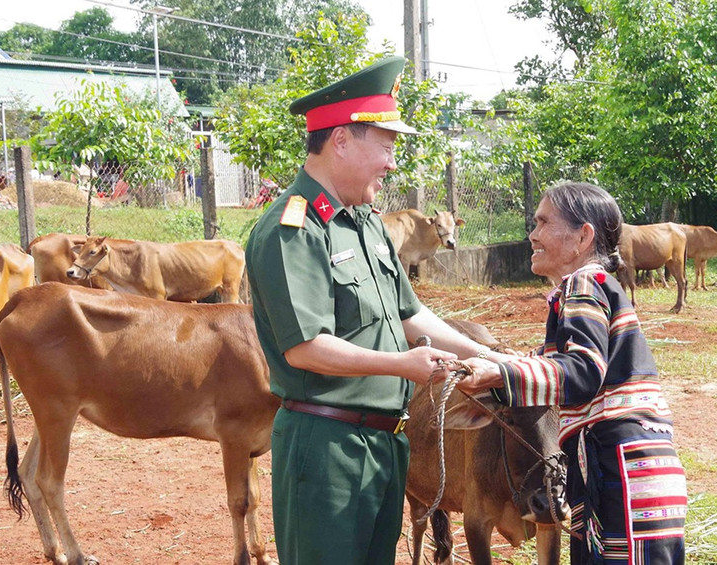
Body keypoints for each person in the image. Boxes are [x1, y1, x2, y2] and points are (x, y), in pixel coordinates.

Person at [244, 56, 502, 565]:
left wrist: (489, 355)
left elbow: (412, 316)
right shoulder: (292, 229)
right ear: (341, 140)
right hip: (328, 449)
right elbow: (305, 347)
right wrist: (402, 366)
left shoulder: (365, 223)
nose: (390, 162)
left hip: (386, 443)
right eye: (384, 145)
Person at [456, 182, 688, 564]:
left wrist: (500, 374)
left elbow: (582, 370)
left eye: (544, 223)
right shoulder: (588, 290)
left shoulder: (582, 284)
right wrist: (490, 363)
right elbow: (556, 359)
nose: (533, 235)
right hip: (622, 472)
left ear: (583, 236)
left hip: (621, 475)